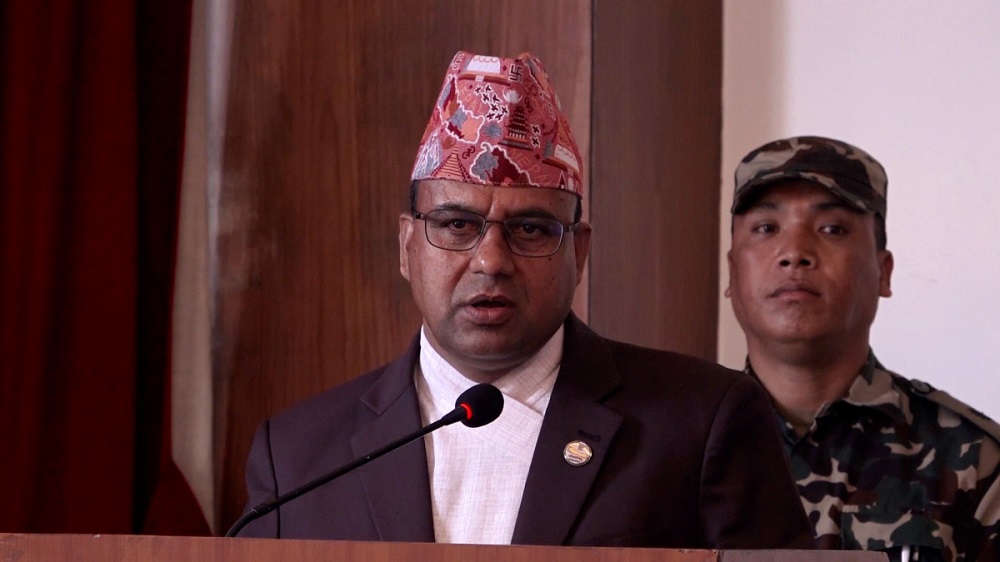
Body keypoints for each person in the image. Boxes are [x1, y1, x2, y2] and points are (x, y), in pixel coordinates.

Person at [237, 50, 813, 549]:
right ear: (408, 247)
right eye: (457, 225)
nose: (491, 261)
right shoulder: (298, 456)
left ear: (578, 252)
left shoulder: (698, 424)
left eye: (531, 230)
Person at [725, 135, 1000, 561]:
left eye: (832, 229)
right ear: (731, 272)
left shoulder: (973, 458)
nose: (794, 253)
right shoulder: (675, 446)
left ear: (883, 272)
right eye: (766, 229)